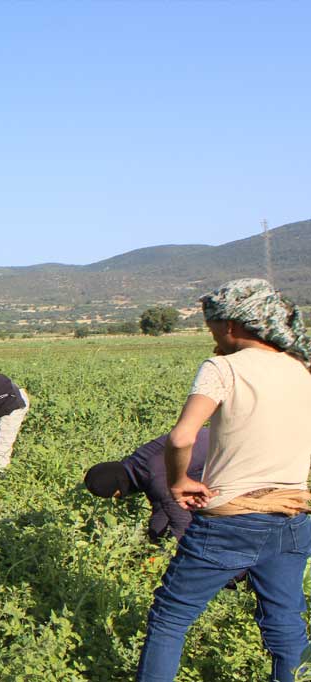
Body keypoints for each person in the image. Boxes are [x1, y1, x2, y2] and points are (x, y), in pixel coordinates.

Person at [136, 279, 311, 682]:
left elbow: (182, 437)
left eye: (211, 324)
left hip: (231, 522)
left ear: (231, 325)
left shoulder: (223, 368)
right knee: (285, 626)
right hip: (293, 517)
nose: (209, 333)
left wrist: (179, 481)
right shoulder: (301, 368)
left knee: (170, 618)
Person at [84, 428, 210, 542]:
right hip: (209, 438)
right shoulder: (139, 463)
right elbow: (161, 509)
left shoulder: (157, 479)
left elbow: (182, 523)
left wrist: (164, 556)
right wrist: (152, 540)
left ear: (119, 486)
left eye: (116, 495)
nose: (120, 497)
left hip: (222, 453)